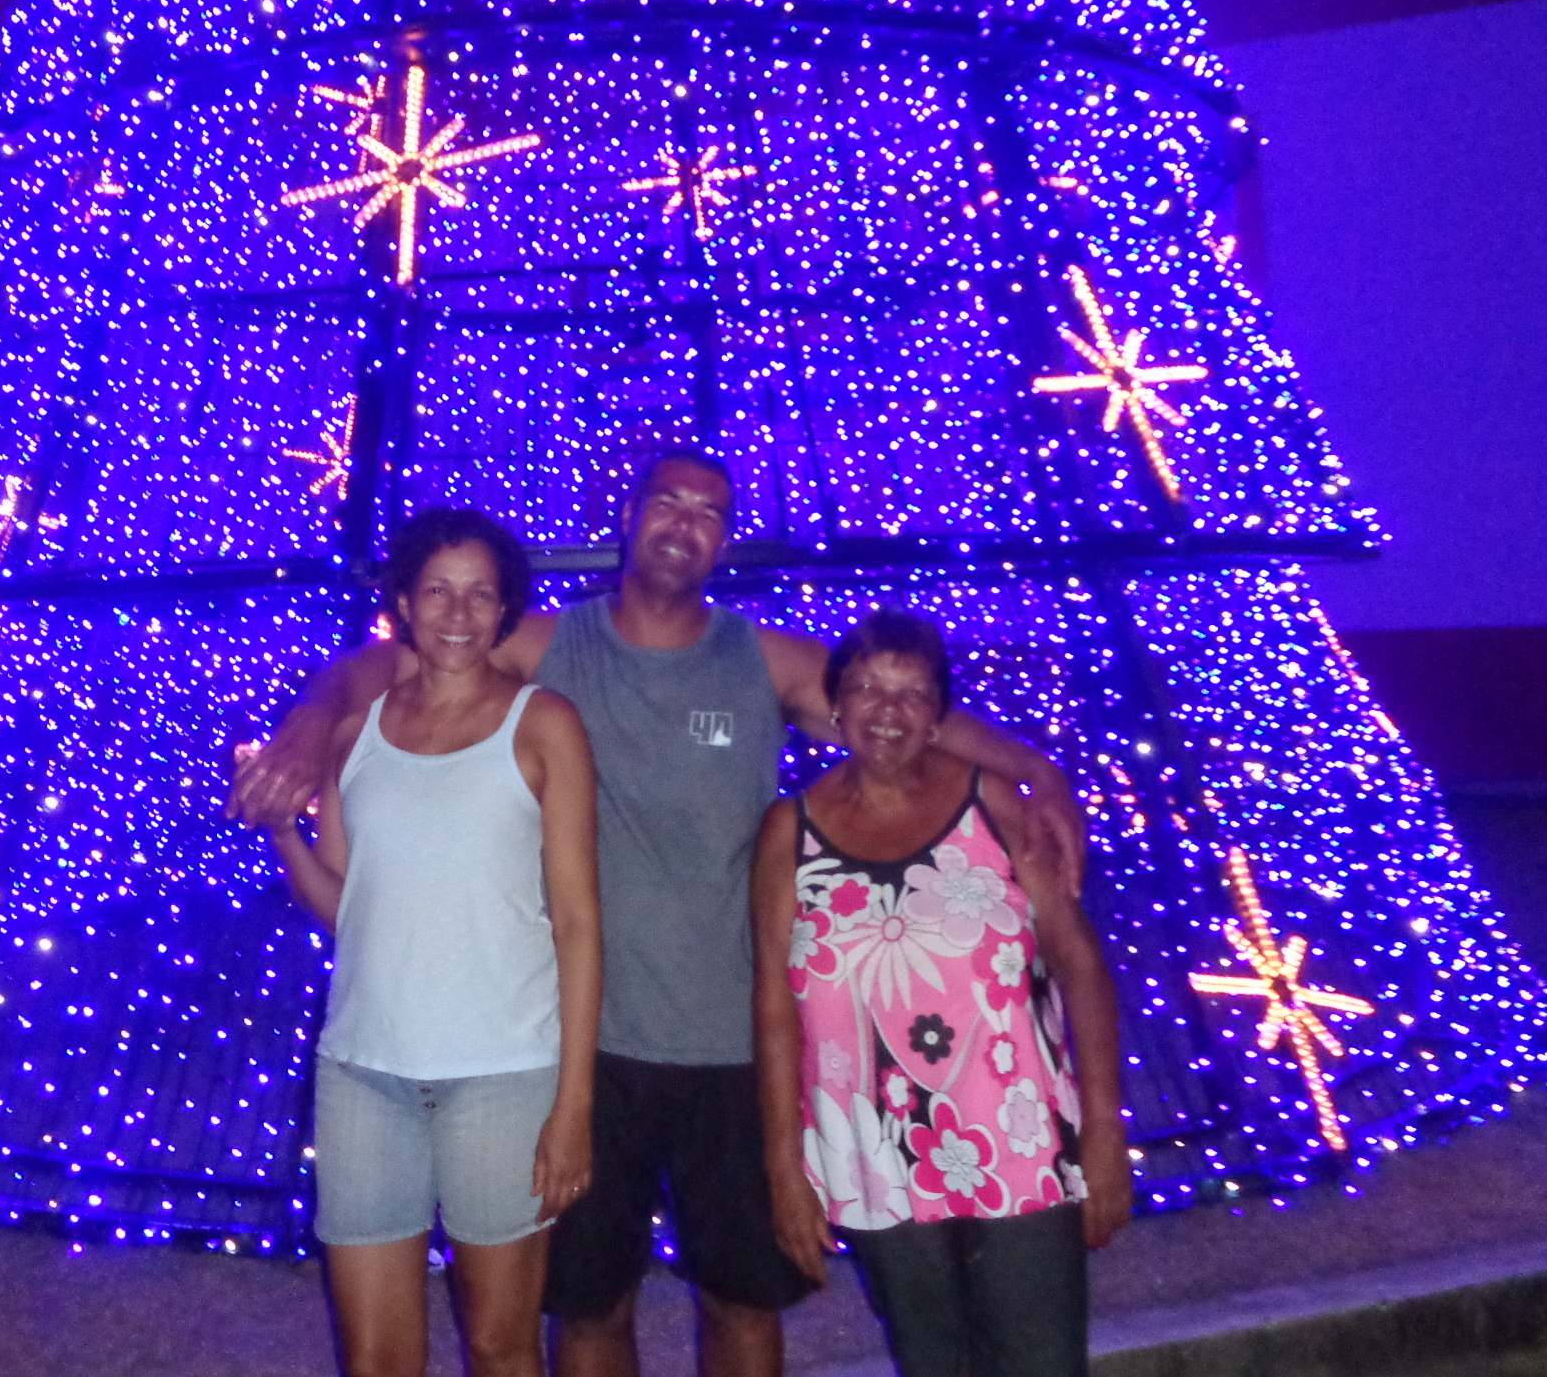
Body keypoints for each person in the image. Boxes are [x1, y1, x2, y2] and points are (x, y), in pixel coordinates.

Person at [235, 451, 1086, 1377]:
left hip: (731, 1044)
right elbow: (378, 666)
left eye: (709, 512)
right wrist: (305, 733)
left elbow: (894, 715)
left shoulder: (761, 662)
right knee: (589, 1307)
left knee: (742, 1299)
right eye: (667, 502)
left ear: (725, 538)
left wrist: (1034, 771)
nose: (685, 523)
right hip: (584, 1043)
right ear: (628, 515)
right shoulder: (551, 645)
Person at [263, 507, 601, 1377]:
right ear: (404, 605)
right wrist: (283, 832)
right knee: (378, 1359)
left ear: (505, 610)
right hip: (363, 1074)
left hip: (504, 1076)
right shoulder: (355, 735)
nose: (458, 613)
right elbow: (346, 908)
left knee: (500, 1346)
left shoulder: (545, 724)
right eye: (438, 592)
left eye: (480, 595)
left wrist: (573, 1106)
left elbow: (577, 922)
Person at [752, 609, 1131, 1377]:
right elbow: (773, 1009)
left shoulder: (993, 804)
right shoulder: (789, 832)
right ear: (835, 704)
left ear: (937, 717)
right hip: (872, 1153)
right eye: (867, 688)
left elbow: (1079, 962)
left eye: (913, 693)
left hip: (1019, 1139)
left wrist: (1102, 1127)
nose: (887, 710)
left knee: (1042, 1364)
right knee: (932, 1364)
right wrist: (786, 1168)